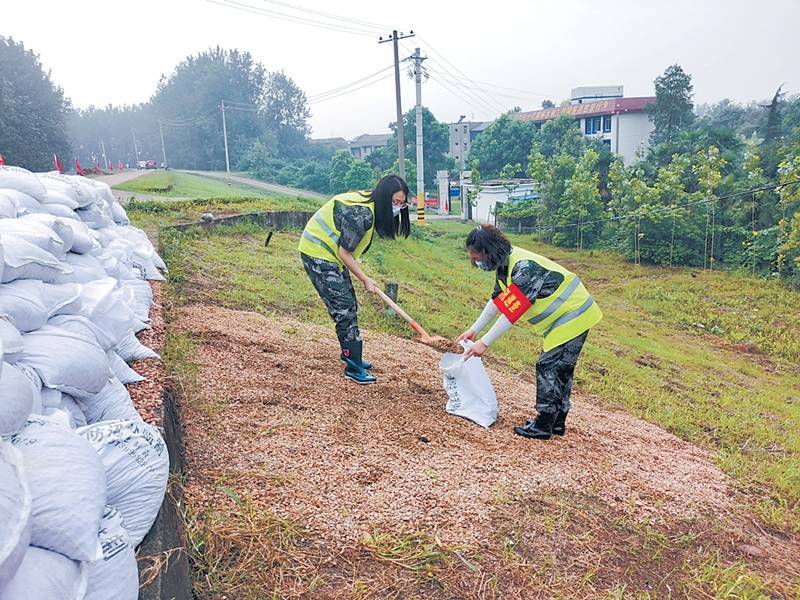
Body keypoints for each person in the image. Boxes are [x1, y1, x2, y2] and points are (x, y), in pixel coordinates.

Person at [456, 225, 602, 439]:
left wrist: (484, 343)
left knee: (549, 366)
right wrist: (473, 330)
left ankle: (544, 425)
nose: (477, 262)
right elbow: (497, 301)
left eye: (479, 257)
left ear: (490, 251)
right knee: (560, 368)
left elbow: (511, 313)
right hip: (566, 318)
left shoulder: (525, 269)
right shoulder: (505, 266)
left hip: (573, 314)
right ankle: (556, 422)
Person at [299, 175, 411, 384]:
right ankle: (353, 366)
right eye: (394, 202)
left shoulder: (371, 204)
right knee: (344, 308)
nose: (397, 208)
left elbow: (346, 251)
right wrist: (366, 279)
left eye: (401, 205)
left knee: (349, 304)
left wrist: (363, 276)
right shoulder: (362, 214)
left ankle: (350, 353)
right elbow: (345, 252)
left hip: (330, 256)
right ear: (384, 196)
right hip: (317, 252)